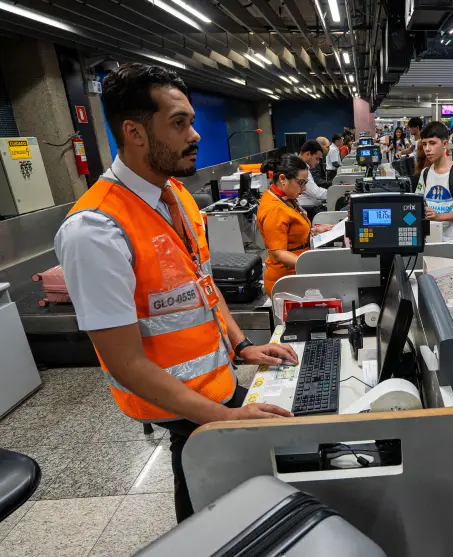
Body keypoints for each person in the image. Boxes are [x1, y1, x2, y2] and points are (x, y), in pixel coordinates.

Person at [54, 63, 300, 523]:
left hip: (216, 388)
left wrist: (242, 345)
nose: (196, 135)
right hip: (185, 406)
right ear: (135, 132)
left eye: (191, 120)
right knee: (209, 520)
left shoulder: (179, 198)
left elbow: (205, 287)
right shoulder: (96, 230)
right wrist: (221, 420)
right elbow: (124, 362)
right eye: (179, 123)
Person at [257, 155, 333, 296]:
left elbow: (290, 231)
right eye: (301, 183)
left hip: (296, 273)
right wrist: (311, 266)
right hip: (286, 281)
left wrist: (313, 231)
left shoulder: (286, 198)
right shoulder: (274, 209)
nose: (304, 189)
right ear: (282, 179)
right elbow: (279, 253)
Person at [416, 121, 453, 255]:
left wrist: (438, 216)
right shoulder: (425, 174)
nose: (427, 149)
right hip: (428, 241)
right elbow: (418, 201)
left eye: (432, 143)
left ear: (444, 144)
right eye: (424, 144)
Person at [296, 140, 329, 217]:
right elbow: (316, 193)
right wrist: (334, 193)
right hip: (308, 210)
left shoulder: (305, 167)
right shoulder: (299, 168)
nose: (318, 162)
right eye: (317, 158)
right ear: (308, 154)